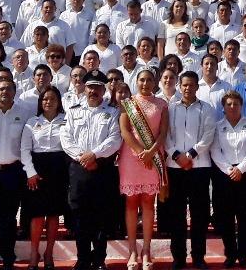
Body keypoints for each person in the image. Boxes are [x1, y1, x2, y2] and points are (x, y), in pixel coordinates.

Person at [61, 70, 122, 270]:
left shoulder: (112, 112)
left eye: (97, 87)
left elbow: (115, 139)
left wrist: (94, 155)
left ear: (104, 89)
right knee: (80, 215)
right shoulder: (73, 111)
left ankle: (99, 259)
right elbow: (66, 139)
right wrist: (83, 157)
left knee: (102, 215)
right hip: (79, 168)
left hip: (103, 168)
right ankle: (83, 258)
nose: (93, 90)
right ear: (84, 88)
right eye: (90, 87)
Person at [163, 71, 215, 270]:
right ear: (179, 86)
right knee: (176, 215)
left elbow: (208, 135)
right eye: (184, 85)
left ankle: (198, 257)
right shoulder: (171, 108)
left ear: (197, 87)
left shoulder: (206, 108)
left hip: (199, 167)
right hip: (175, 167)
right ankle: (179, 257)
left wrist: (191, 155)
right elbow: (165, 135)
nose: (187, 88)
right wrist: (177, 156)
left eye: (191, 85)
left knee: (199, 215)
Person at [118, 68, 169, 270]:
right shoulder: (128, 104)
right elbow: (125, 131)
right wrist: (141, 152)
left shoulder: (162, 104)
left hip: (153, 157)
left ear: (155, 83)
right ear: (136, 82)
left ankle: (146, 250)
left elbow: (163, 133)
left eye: (149, 80)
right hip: (131, 159)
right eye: (142, 80)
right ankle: (132, 250)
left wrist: (151, 152)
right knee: (131, 203)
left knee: (149, 204)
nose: (145, 83)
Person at [0, 77, 29, 270]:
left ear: (14, 92)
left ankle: (8, 256)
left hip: (13, 171)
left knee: (9, 217)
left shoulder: (23, 113)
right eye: (1, 89)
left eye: (9, 89)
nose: (5, 92)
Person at [210, 91, 246, 268]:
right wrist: (230, 169)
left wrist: (241, 169)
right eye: (229, 104)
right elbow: (215, 151)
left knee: (245, 217)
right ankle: (230, 253)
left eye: (236, 104)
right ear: (223, 107)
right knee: (226, 217)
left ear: (241, 105)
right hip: (224, 175)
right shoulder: (218, 127)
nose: (232, 107)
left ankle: (243, 254)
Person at [22, 86, 68, 270]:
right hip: (37, 169)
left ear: (59, 102)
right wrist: (30, 172)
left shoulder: (66, 121)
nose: (48, 102)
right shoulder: (32, 122)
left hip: (58, 169)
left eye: (52, 99)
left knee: (54, 213)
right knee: (37, 214)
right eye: (45, 99)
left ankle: (49, 252)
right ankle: (34, 252)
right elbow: (25, 149)